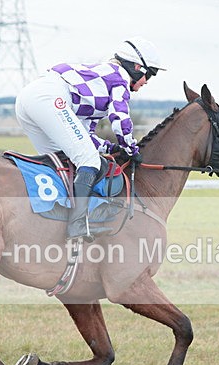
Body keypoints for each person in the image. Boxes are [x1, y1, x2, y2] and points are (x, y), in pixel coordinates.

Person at [15, 37, 165, 241]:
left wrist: (109, 147)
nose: (146, 81)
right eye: (149, 75)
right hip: (48, 98)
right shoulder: (119, 78)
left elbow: (84, 136)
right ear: (137, 67)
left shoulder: (100, 83)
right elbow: (120, 120)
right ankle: (77, 224)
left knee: (63, 161)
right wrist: (131, 148)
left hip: (29, 100)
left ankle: (52, 219)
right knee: (89, 161)